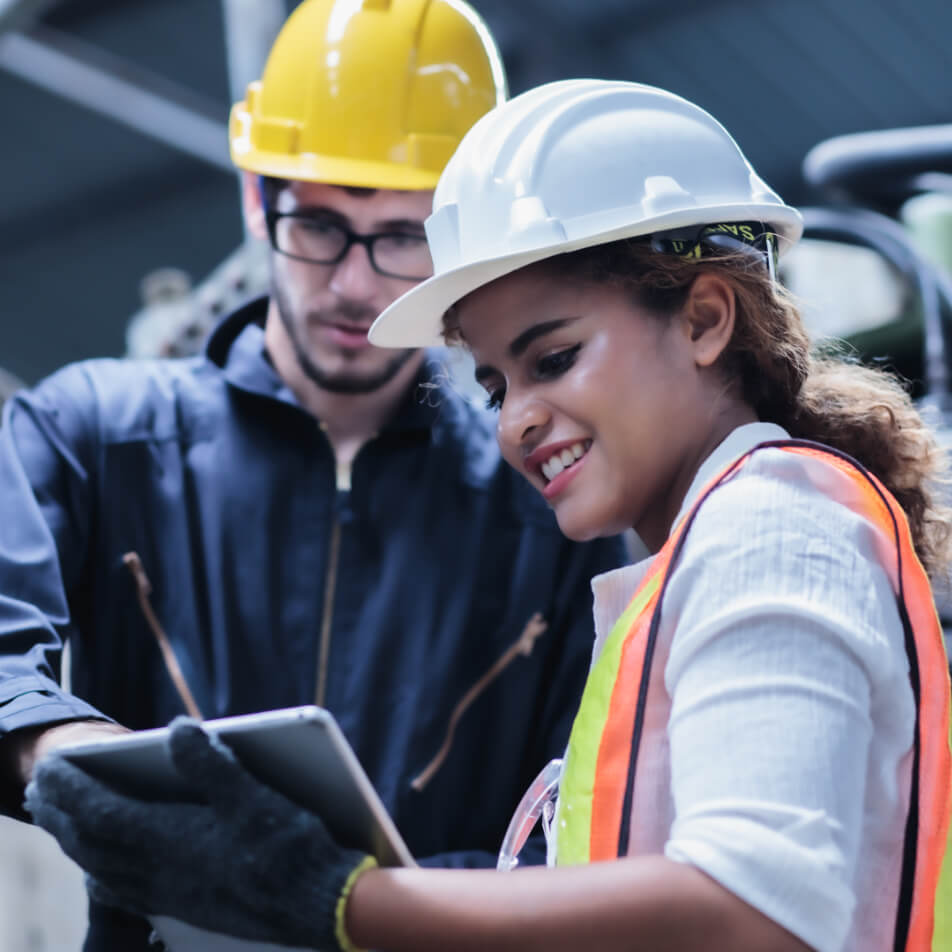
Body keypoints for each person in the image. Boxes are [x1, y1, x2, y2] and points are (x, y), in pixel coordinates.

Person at [24, 78, 952, 952]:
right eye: (495, 382)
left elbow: (758, 908)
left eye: (553, 359)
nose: (516, 421)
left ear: (706, 319)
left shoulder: (774, 525)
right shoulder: (693, 561)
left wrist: (340, 897)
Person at [0, 7, 628, 949]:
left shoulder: (544, 506)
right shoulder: (94, 433)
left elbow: (584, 820)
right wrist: (62, 750)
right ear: (258, 201)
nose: (355, 285)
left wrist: (368, 901)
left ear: (465, 245)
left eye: (404, 236)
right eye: (320, 224)